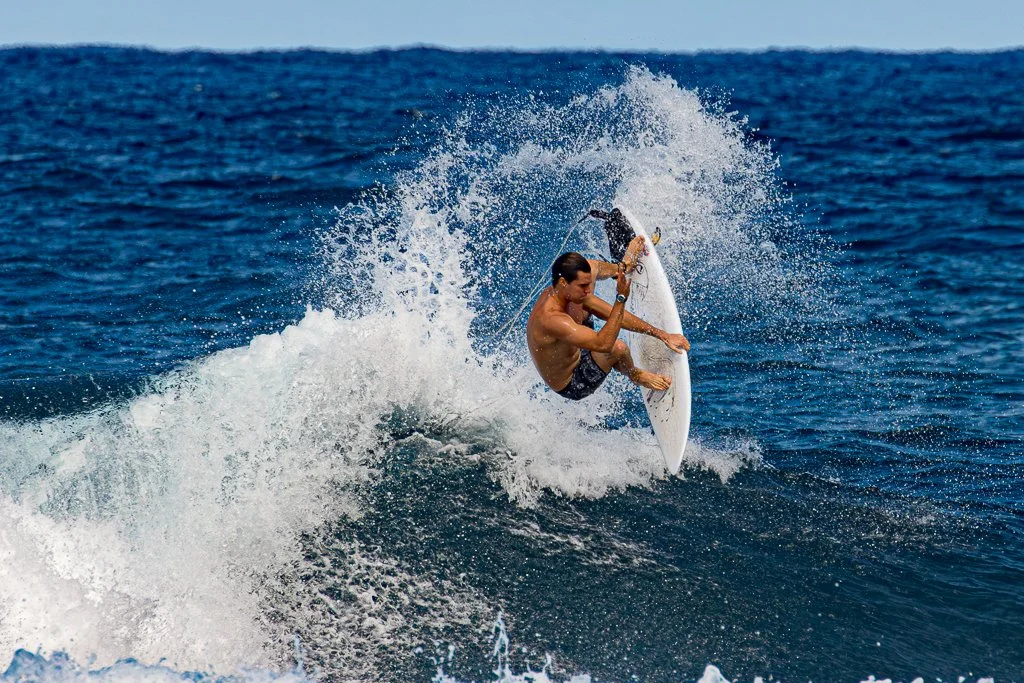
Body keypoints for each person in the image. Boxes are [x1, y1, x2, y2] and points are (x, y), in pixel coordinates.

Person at [526, 236, 691, 401]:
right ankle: (635, 375)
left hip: (576, 339)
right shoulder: (552, 319)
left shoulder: (569, 292)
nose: (588, 290)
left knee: (591, 270)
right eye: (582, 286)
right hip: (572, 380)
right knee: (618, 348)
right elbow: (603, 344)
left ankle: (623, 265)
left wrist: (662, 335)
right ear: (563, 282)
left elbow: (595, 267)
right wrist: (621, 298)